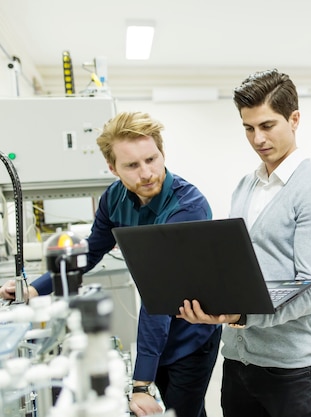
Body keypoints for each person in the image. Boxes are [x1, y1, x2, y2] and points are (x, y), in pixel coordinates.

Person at [0, 111, 222, 417]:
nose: (146, 173)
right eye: (132, 165)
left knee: (182, 410)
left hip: (191, 332)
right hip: (156, 331)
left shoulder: (188, 207)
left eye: (152, 159)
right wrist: (34, 291)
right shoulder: (113, 199)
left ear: (162, 153)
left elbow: (160, 294)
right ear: (112, 167)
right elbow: (90, 253)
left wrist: (141, 384)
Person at [177, 68, 311, 417]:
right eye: (248, 128)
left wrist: (242, 313)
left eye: (267, 125)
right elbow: (239, 266)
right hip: (238, 361)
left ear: (294, 119)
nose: (258, 139)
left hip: (293, 371)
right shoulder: (246, 185)